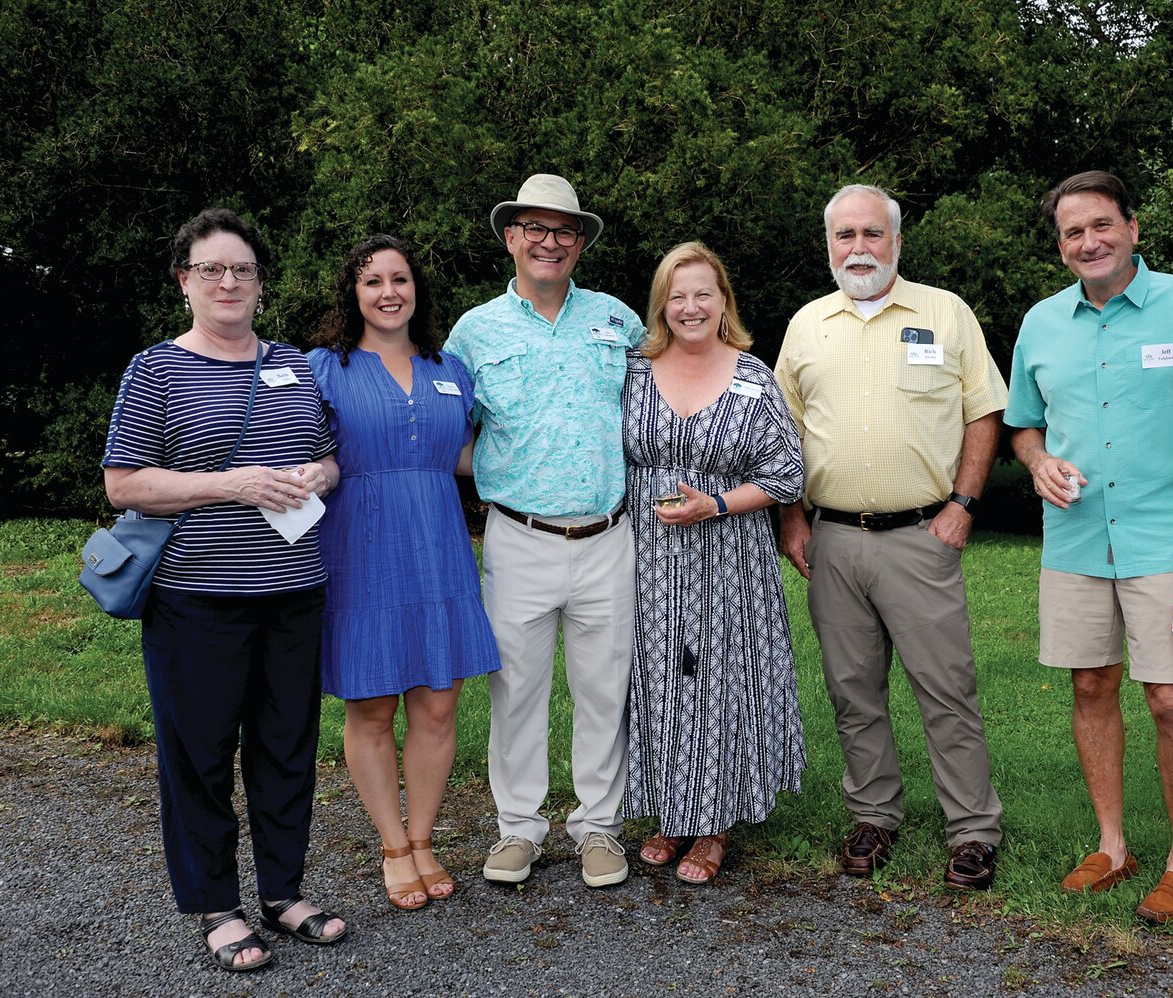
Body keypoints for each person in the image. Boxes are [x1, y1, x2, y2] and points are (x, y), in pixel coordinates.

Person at [101, 208, 346, 972]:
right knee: (200, 757)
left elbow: (332, 458)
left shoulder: (298, 366)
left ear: (261, 285)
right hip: (196, 600)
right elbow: (123, 484)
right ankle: (215, 903)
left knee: (285, 751)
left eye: (242, 269)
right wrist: (230, 484)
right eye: (211, 269)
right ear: (185, 283)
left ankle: (283, 893)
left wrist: (319, 474)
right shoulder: (156, 370)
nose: (229, 281)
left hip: (293, 591)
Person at [1005, 170, 1173, 923]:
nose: (1088, 241)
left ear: (1132, 227)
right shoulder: (1040, 322)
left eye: (1101, 225)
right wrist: (1036, 463)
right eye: (1073, 232)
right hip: (1073, 536)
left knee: (1169, 700)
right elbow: (1023, 421)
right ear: (1060, 245)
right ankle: (1112, 845)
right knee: (1091, 687)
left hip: (1169, 537)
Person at [775, 183, 1006, 890]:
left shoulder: (945, 313)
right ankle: (872, 814)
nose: (858, 248)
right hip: (833, 540)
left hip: (921, 533)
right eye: (844, 236)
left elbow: (982, 411)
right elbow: (781, 435)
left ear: (896, 242)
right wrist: (790, 518)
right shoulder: (806, 325)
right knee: (852, 689)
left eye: (872, 234)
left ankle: (972, 829)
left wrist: (963, 503)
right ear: (828, 245)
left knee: (946, 689)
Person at [445, 174, 642, 889]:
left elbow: (661, 411)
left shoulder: (618, 322)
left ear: (580, 243)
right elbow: (450, 434)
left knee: (603, 689)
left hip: (607, 535)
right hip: (518, 536)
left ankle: (598, 828)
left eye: (564, 231)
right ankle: (518, 830)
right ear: (510, 238)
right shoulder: (474, 330)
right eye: (535, 228)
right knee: (516, 690)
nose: (549, 241)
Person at [308, 235, 502, 912]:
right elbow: (303, 453)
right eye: (372, 282)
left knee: (438, 700)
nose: (388, 292)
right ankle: (392, 846)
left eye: (399, 278)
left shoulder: (450, 367)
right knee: (370, 702)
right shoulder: (322, 369)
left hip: (437, 541)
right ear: (352, 294)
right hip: (360, 545)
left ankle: (423, 838)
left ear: (416, 288)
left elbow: (470, 455)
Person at [622, 241, 806, 885]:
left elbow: (787, 474)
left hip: (728, 555)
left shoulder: (753, 378)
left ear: (723, 300)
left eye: (703, 293)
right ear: (661, 305)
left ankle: (713, 822)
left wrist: (718, 504)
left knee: (719, 679)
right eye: (677, 295)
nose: (690, 306)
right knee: (657, 678)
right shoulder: (633, 371)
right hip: (646, 558)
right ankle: (669, 812)